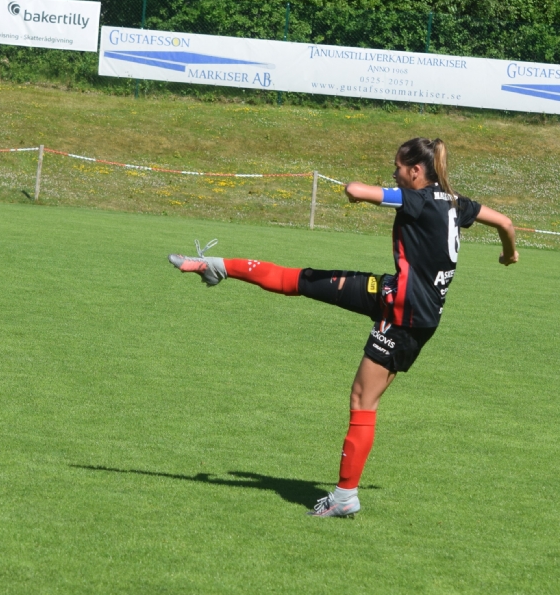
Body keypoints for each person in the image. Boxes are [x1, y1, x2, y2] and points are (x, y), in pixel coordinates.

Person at [168, 137, 517, 518]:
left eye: (398, 167)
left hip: (404, 318)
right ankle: (215, 267)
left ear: (416, 171)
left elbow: (356, 190)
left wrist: (361, 192)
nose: (394, 173)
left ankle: (345, 496)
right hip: (395, 297)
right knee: (304, 280)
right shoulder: (454, 202)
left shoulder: (416, 199)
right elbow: (505, 222)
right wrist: (509, 252)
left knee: (363, 401)